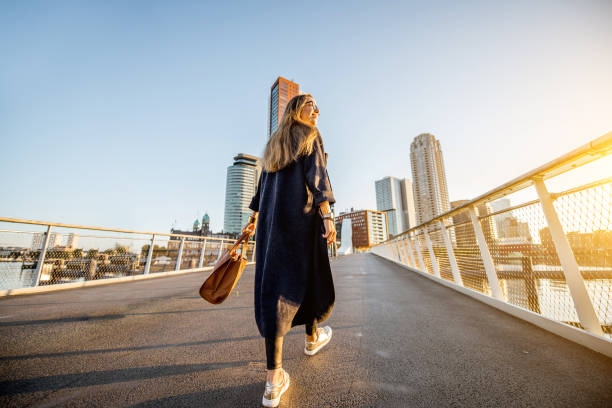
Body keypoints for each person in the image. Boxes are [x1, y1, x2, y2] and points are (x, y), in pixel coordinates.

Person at [243, 93, 336, 407]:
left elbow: (261, 188)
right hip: (301, 221)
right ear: (296, 109)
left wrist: (253, 220)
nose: (316, 110)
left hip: (271, 229)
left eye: (317, 106)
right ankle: (308, 341)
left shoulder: (274, 143)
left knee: (273, 290)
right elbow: (317, 176)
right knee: (308, 278)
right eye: (311, 104)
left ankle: (275, 378)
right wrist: (326, 215)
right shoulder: (310, 135)